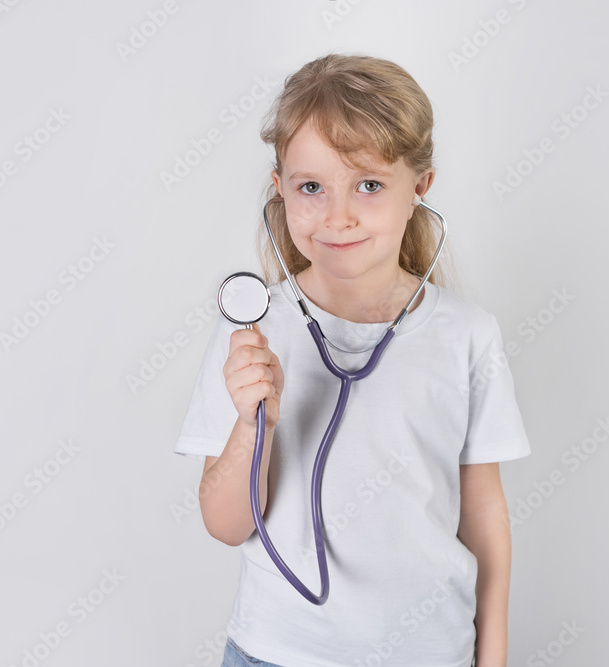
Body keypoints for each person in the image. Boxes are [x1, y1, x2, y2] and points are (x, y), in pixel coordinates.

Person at [173, 52, 531, 667]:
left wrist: (492, 658)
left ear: (419, 186)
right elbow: (227, 523)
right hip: (276, 654)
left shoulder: (467, 335)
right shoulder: (254, 334)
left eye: (368, 184)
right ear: (280, 188)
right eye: (311, 186)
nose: (337, 216)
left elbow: (483, 513)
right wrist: (248, 420)